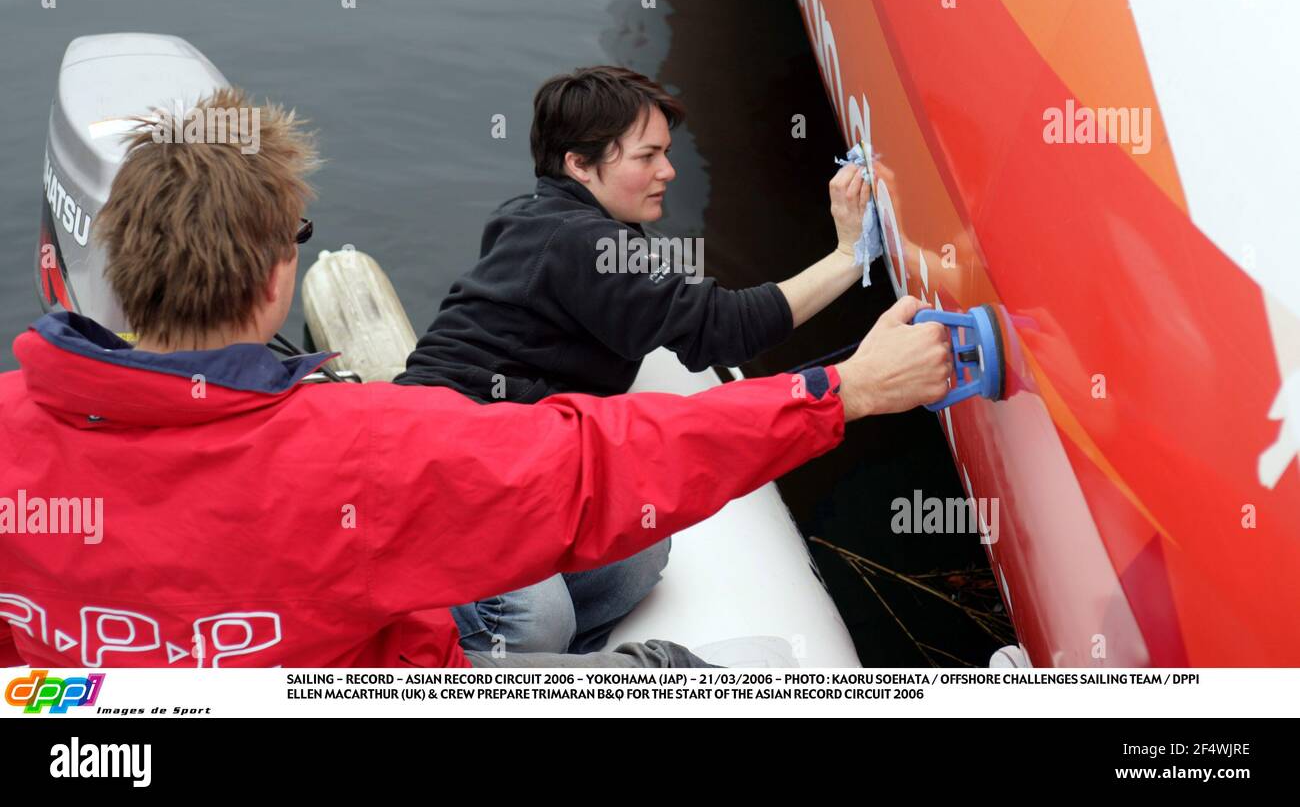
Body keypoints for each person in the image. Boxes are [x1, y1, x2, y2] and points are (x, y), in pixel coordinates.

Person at [0, 88, 952, 670]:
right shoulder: (357, 451)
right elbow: (606, 464)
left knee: (626, 563)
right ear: (276, 277)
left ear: (115, 270)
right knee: (588, 597)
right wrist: (847, 389)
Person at [397, 66, 875, 656]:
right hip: (445, 469)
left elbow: (674, 311)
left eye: (667, 154)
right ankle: (500, 660)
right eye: (648, 157)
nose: (668, 172)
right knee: (531, 613)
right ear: (579, 164)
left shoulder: (539, 220)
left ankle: (549, 666)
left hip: (513, 464)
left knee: (639, 551)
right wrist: (850, 256)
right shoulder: (586, 244)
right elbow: (721, 330)